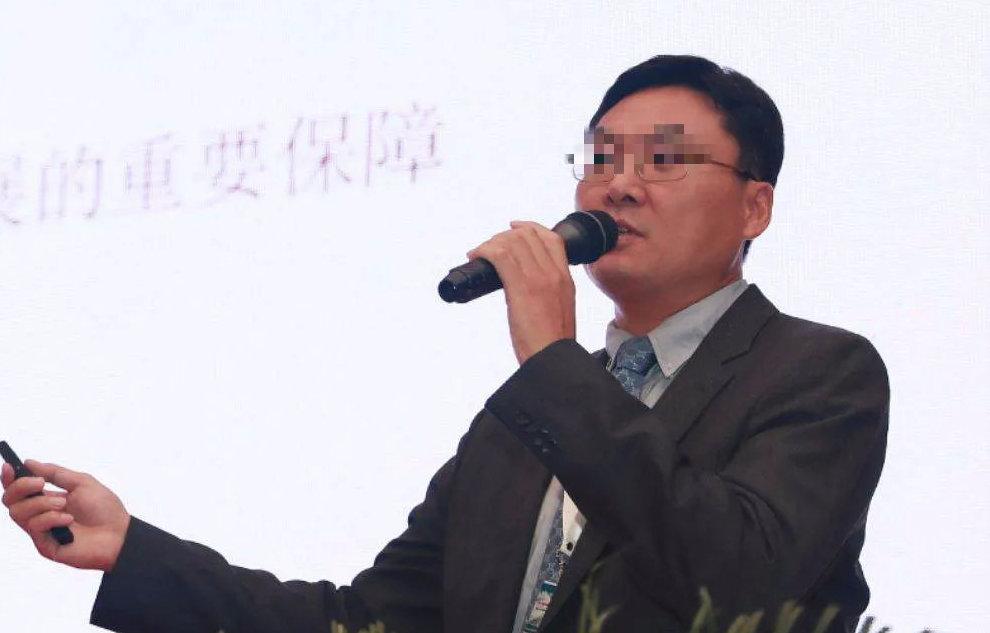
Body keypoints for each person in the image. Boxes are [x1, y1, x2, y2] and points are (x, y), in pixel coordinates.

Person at [1, 55, 888, 633]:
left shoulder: (819, 373)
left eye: (661, 160)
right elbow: (370, 620)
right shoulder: (519, 427)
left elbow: (735, 580)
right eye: (600, 159)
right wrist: (135, 548)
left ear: (754, 207)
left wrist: (552, 361)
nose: (617, 186)